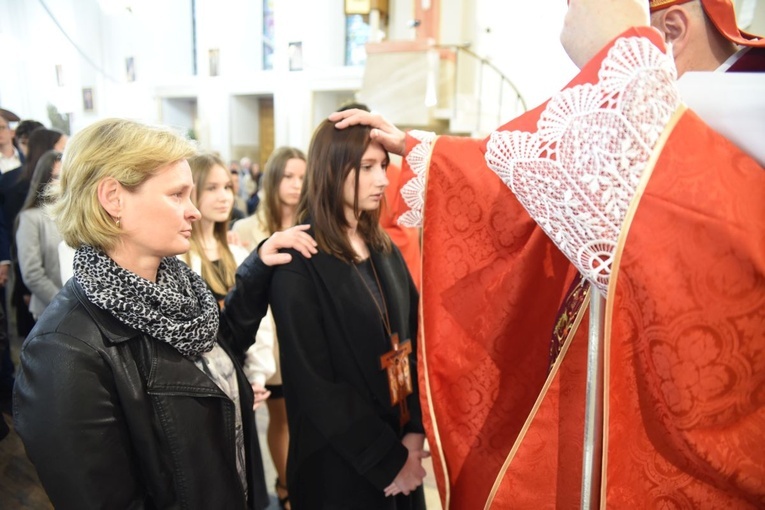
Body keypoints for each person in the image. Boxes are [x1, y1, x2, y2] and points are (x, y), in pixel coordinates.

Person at [330, 0, 764, 507]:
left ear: (670, 28)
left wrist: (617, 47)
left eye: (593, 77)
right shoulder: (675, 133)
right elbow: (536, 189)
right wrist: (426, 151)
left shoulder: (736, 119)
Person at [12, 117, 318, 509]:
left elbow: (217, 349)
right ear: (113, 198)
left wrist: (257, 269)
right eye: (177, 195)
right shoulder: (64, 350)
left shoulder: (179, 289)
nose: (193, 211)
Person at [269, 120, 428, 508]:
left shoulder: (383, 246)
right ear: (333, 168)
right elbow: (315, 383)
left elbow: (413, 339)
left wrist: (414, 431)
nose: (383, 180)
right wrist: (389, 461)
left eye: (383, 166)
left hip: (398, 440)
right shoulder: (298, 260)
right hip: (340, 462)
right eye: (367, 167)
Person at [233, 145, 306, 509]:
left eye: (302, 178)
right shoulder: (247, 228)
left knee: (306, 416)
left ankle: (303, 484)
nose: (295, 185)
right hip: (268, 336)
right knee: (281, 418)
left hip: (306, 335)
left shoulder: (314, 225)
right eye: (288, 176)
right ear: (273, 178)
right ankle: (285, 486)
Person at [181, 152, 273, 411]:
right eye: (212, 188)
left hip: (239, 376)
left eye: (227, 187)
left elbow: (259, 320)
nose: (224, 197)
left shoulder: (237, 252)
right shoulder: (178, 257)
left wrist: (257, 376)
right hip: (199, 389)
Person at [15, 150, 63, 320]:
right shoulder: (30, 218)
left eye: (66, 176)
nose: (63, 182)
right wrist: (65, 303)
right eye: (57, 177)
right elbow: (32, 273)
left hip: (85, 311)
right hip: (50, 311)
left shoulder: (76, 214)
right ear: (44, 180)